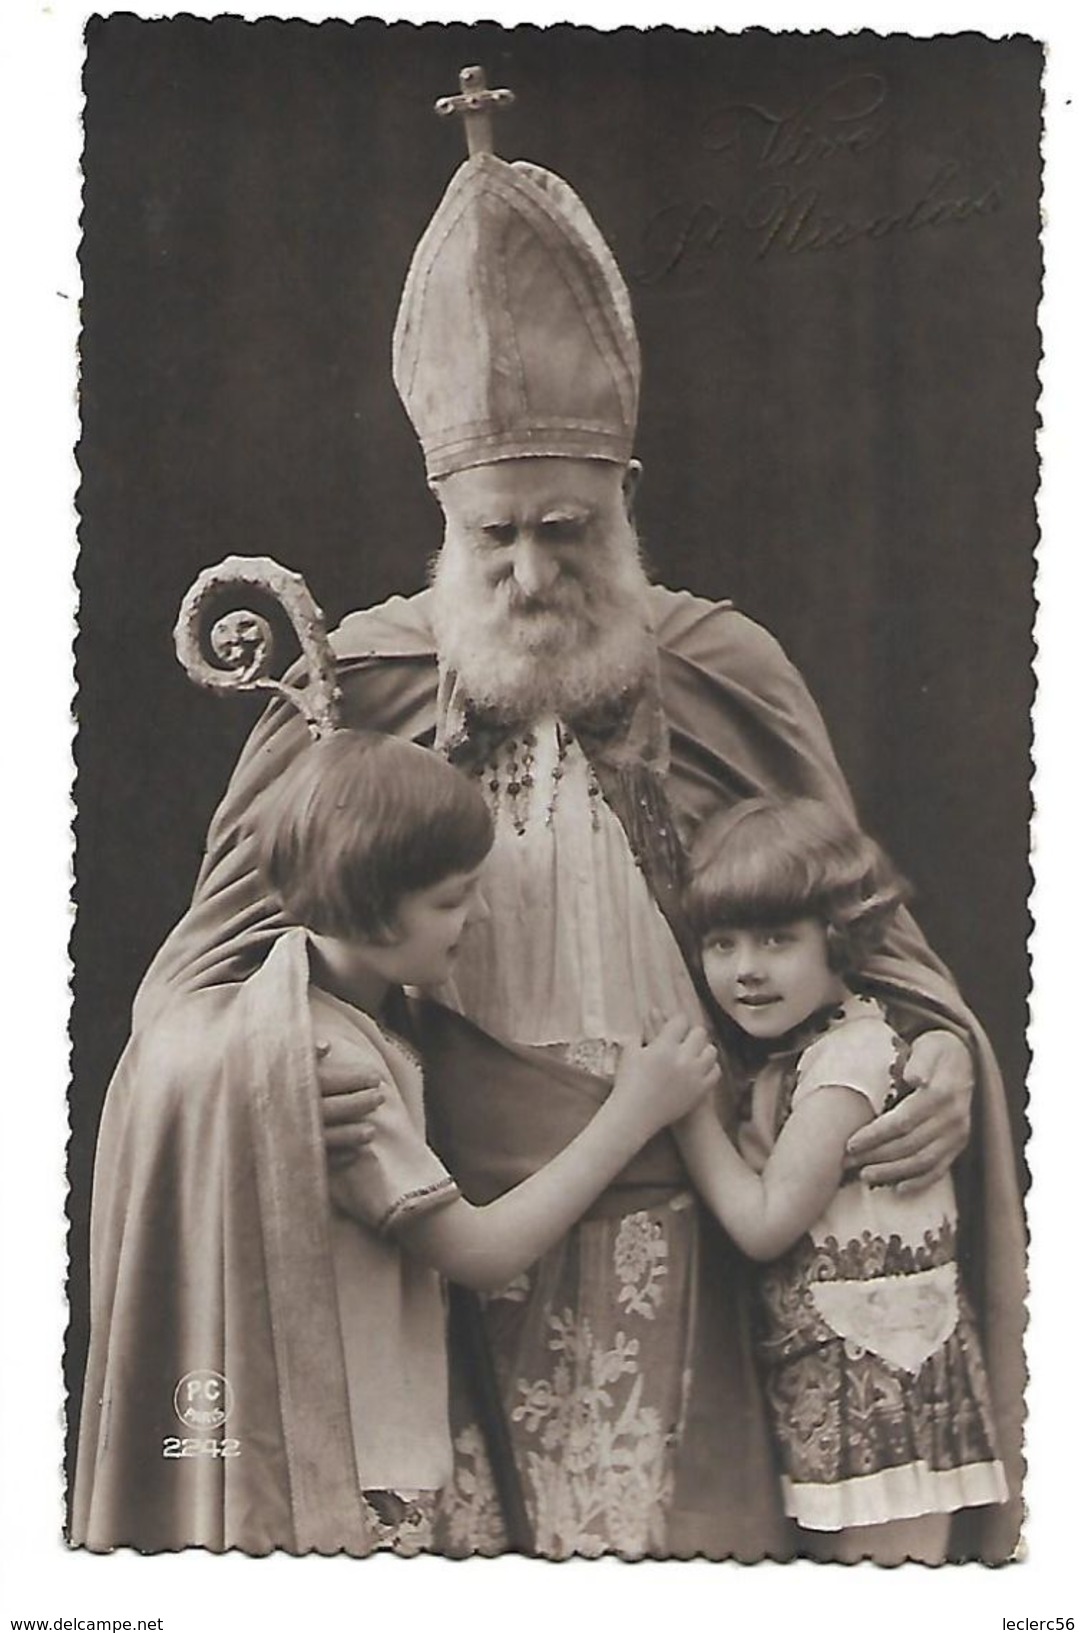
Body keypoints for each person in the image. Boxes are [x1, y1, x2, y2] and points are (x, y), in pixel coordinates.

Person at [72, 122, 1024, 1561]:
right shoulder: (364, 688)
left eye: (568, 530)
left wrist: (939, 1056)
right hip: (431, 1277)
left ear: (626, 497)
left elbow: (869, 948)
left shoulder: (723, 669)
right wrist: (261, 1070)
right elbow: (184, 1000)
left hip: (698, 1259)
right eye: (497, 534)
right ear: (444, 518)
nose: (530, 571)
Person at [261, 728, 718, 1551]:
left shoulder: (352, 1014)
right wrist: (635, 1109)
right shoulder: (340, 1060)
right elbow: (479, 1250)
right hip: (372, 1447)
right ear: (369, 901)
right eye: (449, 899)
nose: (476, 914)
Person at [673, 795, 1012, 1564]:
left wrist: (681, 1110)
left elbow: (764, 1224)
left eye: (775, 939)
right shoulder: (800, 1047)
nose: (745, 968)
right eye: (720, 942)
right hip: (844, 1370)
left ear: (836, 940)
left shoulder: (848, 1056)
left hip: (881, 1383)